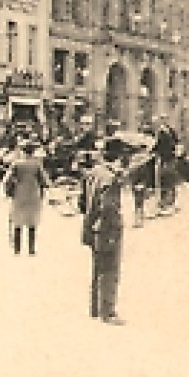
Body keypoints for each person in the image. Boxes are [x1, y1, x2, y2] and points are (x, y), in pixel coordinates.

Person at [83, 137, 128, 324]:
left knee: (97, 268)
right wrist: (112, 227)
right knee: (110, 269)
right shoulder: (111, 178)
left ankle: (95, 308)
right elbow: (109, 207)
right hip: (107, 227)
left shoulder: (94, 173)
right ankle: (108, 312)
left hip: (92, 225)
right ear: (117, 156)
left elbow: (82, 201)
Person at [5, 139, 50, 255]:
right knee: (32, 222)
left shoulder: (16, 164)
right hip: (33, 195)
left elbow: (7, 180)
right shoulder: (36, 164)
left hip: (19, 194)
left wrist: (9, 192)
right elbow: (44, 181)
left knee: (17, 221)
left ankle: (17, 249)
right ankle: (31, 249)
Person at [153, 120, 180, 211]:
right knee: (172, 181)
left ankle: (162, 202)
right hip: (172, 155)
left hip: (165, 156)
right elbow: (177, 140)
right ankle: (171, 201)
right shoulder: (170, 129)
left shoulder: (161, 131)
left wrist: (152, 150)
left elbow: (158, 145)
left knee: (159, 175)